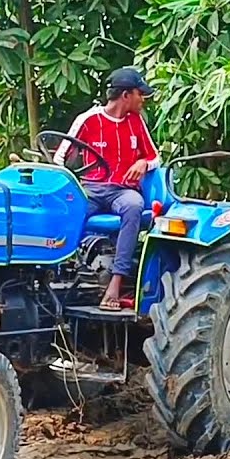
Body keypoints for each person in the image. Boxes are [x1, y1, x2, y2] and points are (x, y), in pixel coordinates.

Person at [54, 67, 160, 311]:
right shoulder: (88, 120)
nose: (142, 99)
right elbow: (60, 159)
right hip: (92, 187)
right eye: (139, 94)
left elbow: (155, 156)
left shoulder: (136, 122)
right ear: (126, 95)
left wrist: (143, 163)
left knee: (134, 206)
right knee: (67, 208)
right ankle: (61, 270)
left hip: (122, 191)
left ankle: (116, 283)